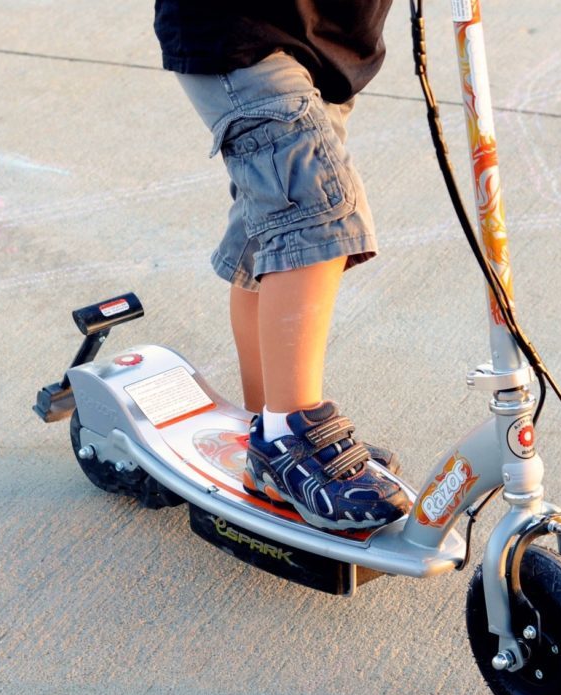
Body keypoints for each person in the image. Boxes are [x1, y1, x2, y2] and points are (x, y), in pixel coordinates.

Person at [153, 3, 410, 532]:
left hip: (328, 43)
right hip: (244, 29)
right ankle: (287, 436)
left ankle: (268, 431)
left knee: (270, 225)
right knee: (314, 213)